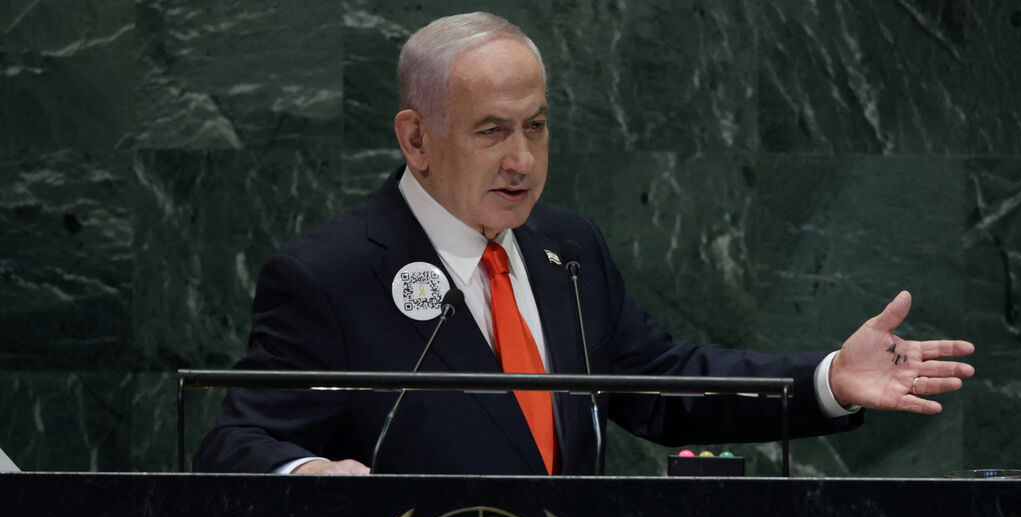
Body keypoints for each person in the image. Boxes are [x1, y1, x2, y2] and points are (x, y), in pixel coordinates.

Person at [192, 12, 975, 476]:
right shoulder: (329, 275)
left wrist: (830, 378)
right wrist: (307, 473)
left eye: (535, 126)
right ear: (417, 139)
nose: (523, 159)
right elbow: (236, 438)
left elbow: (666, 382)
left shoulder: (566, 251)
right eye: (492, 131)